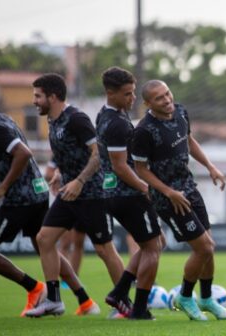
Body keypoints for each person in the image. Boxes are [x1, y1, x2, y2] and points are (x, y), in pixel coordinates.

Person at [26, 73, 125, 317]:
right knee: (44, 239)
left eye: (38, 96)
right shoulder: (53, 120)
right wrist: (61, 172)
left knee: (104, 249)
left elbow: (97, 154)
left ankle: (125, 303)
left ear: (53, 96)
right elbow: (71, 152)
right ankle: (55, 300)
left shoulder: (76, 118)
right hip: (69, 193)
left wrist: (80, 181)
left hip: (91, 193)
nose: (34, 101)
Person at [132, 79, 226, 321]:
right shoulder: (144, 131)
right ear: (147, 103)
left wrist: (210, 166)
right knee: (204, 247)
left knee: (209, 248)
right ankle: (185, 297)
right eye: (159, 98)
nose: (167, 100)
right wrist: (169, 192)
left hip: (189, 188)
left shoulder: (181, 111)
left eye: (167, 94)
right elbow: (140, 168)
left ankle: (206, 299)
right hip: (169, 198)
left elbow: (189, 141)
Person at [96, 67, 162, 320]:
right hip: (127, 194)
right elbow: (120, 165)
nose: (132, 98)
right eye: (127, 94)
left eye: (133, 92)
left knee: (153, 245)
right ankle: (139, 309)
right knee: (153, 248)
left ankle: (119, 292)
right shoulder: (116, 125)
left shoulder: (104, 115)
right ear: (110, 93)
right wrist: (146, 187)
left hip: (113, 193)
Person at [0, 110, 48, 316]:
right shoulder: (4, 118)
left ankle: (35, 288)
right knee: (45, 246)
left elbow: (24, 152)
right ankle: (84, 300)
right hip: (36, 193)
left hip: (21, 199)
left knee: (45, 245)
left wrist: (3, 187)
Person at [44, 160, 86, 279]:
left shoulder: (84, 151)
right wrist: (59, 174)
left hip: (84, 199)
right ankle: (65, 277)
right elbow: (48, 174)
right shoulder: (59, 152)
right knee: (65, 242)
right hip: (66, 200)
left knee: (79, 242)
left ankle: (75, 277)